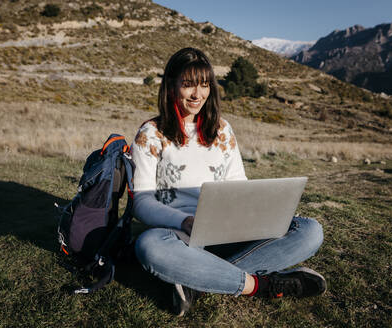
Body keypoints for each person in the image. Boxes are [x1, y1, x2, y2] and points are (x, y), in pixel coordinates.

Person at [130, 47, 326, 316]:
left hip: (229, 231)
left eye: (204, 85)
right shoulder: (151, 134)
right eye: (188, 85)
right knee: (149, 246)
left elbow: (238, 183)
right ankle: (259, 284)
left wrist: (253, 214)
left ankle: (196, 280)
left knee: (310, 230)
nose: (198, 95)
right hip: (178, 238)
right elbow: (141, 202)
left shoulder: (222, 129)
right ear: (172, 86)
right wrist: (184, 221)